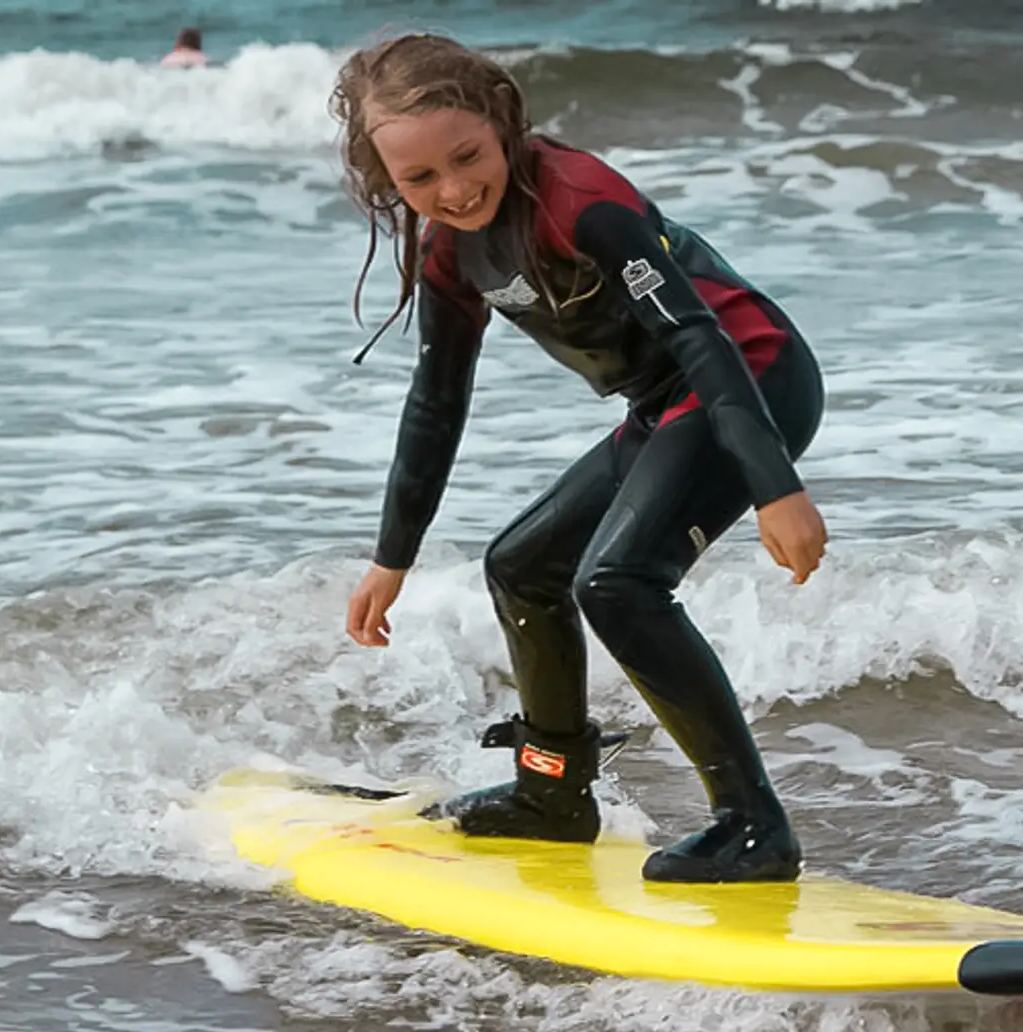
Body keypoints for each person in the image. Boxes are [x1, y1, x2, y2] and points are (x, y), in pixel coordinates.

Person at [332, 34, 829, 884]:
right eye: (420, 179)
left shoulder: (581, 202)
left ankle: (753, 827)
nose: (452, 190)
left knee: (619, 583)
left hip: (748, 378)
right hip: (664, 405)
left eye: (467, 157)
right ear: (387, 182)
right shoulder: (449, 251)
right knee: (523, 566)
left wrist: (774, 484)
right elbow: (437, 401)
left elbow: (698, 337)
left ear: (502, 122)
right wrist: (393, 555)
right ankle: (553, 794)